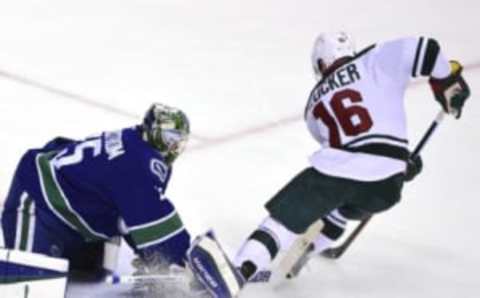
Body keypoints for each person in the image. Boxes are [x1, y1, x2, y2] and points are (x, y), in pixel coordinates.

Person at [225, 31, 470, 288]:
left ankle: (241, 268)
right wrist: (446, 81)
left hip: (347, 169)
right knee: (342, 203)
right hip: (388, 186)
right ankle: (311, 247)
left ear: (321, 63)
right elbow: (428, 50)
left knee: (289, 215)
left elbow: (343, 149)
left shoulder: (313, 103)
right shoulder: (373, 59)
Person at [1, 103, 193, 283]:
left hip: (72, 216)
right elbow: (151, 215)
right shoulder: (139, 162)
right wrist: (184, 262)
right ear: (153, 133)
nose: (173, 148)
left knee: (88, 281)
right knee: (25, 283)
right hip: (37, 200)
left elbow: (134, 214)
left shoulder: (136, 144)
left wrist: (154, 257)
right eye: (169, 139)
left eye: (179, 142)